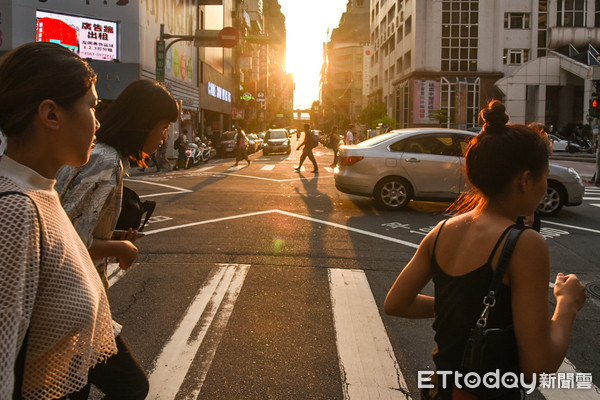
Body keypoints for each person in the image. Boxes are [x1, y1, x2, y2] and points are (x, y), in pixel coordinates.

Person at [384, 100, 586, 399]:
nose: (545, 188)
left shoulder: (443, 231)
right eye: (544, 177)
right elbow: (538, 367)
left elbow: (396, 303)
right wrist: (567, 304)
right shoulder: (525, 243)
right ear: (526, 180)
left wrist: (458, 307)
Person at [0, 42, 119, 400]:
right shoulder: (15, 209)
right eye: (92, 107)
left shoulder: (41, 191)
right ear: (51, 115)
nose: (98, 122)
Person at [55, 79, 179, 399]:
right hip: (70, 304)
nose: (165, 135)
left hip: (75, 304)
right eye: (163, 126)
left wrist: (113, 236)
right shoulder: (105, 161)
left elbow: (75, 222)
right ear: (144, 122)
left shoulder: (104, 157)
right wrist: (121, 247)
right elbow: (66, 241)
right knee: (130, 387)